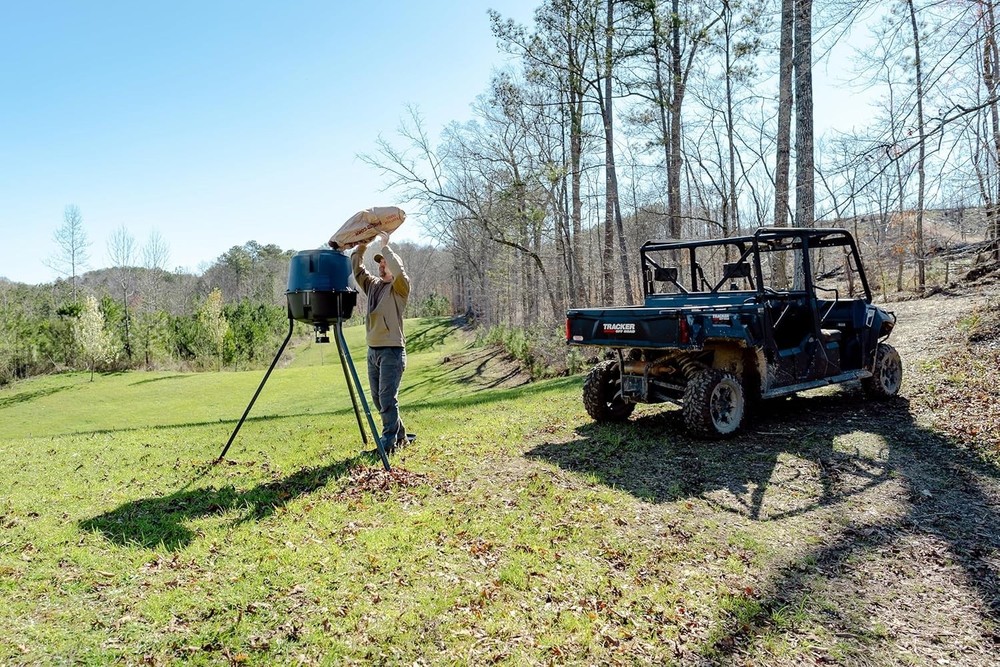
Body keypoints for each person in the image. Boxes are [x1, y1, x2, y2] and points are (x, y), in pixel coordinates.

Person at [348, 234, 412, 454]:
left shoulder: (400, 288)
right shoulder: (374, 286)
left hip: (392, 351)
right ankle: (401, 436)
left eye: (385, 263)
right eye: (380, 263)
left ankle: (388, 444)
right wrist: (361, 247)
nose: (381, 266)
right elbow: (358, 271)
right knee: (378, 399)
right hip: (373, 351)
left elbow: (400, 272)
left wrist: (385, 248)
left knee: (387, 399)